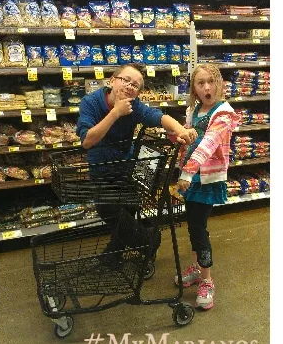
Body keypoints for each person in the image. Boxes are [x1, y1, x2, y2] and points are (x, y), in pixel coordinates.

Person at [76, 65, 197, 262]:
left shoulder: (134, 105)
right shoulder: (90, 103)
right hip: (101, 170)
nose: (130, 87)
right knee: (107, 209)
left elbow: (159, 117)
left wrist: (180, 130)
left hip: (126, 168)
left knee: (128, 209)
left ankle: (112, 257)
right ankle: (149, 241)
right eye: (126, 80)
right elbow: (87, 141)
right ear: (112, 80)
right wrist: (116, 112)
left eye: (136, 85)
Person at [173, 64, 241, 310]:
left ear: (219, 83)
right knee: (193, 226)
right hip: (190, 177)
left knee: (199, 229)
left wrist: (188, 172)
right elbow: (191, 138)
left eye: (210, 81)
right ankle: (195, 267)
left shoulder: (224, 113)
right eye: (200, 83)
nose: (206, 87)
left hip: (206, 179)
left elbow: (209, 143)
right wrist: (178, 136)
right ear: (194, 87)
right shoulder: (194, 109)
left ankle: (207, 281)